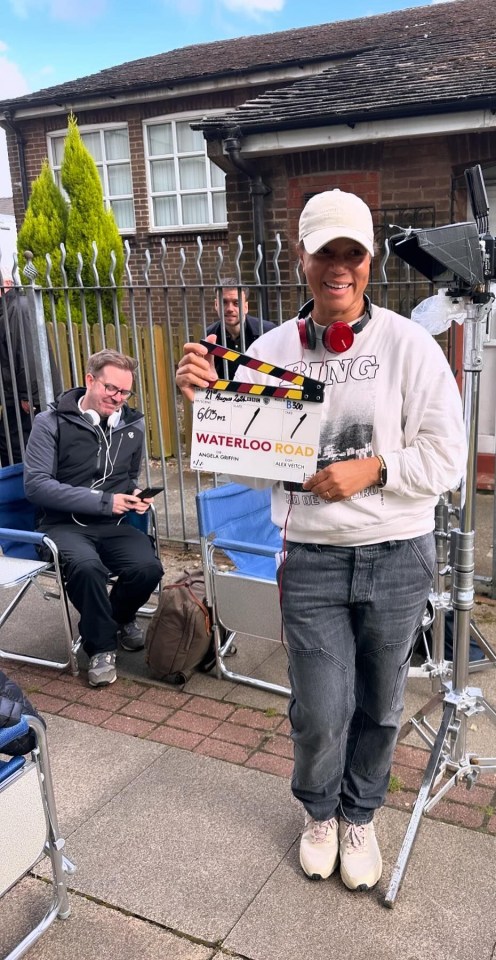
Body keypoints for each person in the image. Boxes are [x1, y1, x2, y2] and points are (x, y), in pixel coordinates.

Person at [176, 189, 466, 893]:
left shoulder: (407, 345)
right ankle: (320, 813)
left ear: (368, 262)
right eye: (324, 252)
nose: (339, 267)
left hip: (399, 555)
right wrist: (210, 411)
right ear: (301, 257)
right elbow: (250, 466)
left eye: (352, 253)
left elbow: (448, 457)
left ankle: (360, 813)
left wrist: (378, 468)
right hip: (309, 557)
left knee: (381, 702)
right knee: (320, 707)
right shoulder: (269, 350)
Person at [24, 349, 164, 688]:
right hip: (61, 526)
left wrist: (134, 500)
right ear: (90, 380)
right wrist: (104, 501)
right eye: (110, 389)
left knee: (149, 568)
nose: (117, 399)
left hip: (112, 526)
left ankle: (114, 618)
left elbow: (128, 477)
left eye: (125, 392)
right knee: (88, 568)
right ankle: (100, 647)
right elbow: (36, 486)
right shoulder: (50, 423)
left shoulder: (132, 425)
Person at [0, 285, 61, 465]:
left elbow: (29, 353)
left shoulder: (19, 308)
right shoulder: (7, 308)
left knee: (20, 447)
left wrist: (30, 395)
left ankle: (27, 490)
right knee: (10, 444)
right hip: (15, 395)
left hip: (28, 398)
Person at [205, 280, 276, 378]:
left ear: (246, 307)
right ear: (216, 305)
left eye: (236, 303)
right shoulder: (209, 336)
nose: (230, 308)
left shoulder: (267, 332)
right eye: (224, 302)